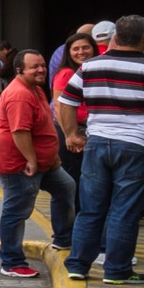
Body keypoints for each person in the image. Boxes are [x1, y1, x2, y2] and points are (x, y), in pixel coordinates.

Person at [60, 14, 144, 285]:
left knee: (90, 209)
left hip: (97, 144)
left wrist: (71, 133)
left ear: (115, 38)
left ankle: (78, 265)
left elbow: (66, 101)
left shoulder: (89, 67)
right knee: (124, 210)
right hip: (138, 146)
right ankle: (117, 270)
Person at [0, 50, 74, 277]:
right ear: (19, 70)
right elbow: (20, 131)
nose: (40, 70)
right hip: (20, 163)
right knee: (17, 211)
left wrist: (50, 155)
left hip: (41, 162)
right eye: (34, 67)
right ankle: (11, 262)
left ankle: (63, 238)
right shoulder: (20, 94)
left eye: (42, 65)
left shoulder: (35, 90)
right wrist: (31, 160)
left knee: (66, 187)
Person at [52, 32, 96, 185]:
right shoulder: (66, 73)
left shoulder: (92, 71)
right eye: (75, 49)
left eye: (86, 47)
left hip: (87, 130)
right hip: (72, 131)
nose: (81, 52)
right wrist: (69, 136)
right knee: (73, 182)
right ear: (68, 53)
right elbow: (59, 106)